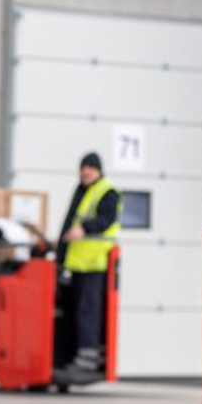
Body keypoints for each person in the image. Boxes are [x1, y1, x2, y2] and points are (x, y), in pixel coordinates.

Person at [56, 152, 122, 373]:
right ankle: (82, 355)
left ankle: (88, 359)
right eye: (83, 168)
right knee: (78, 311)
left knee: (88, 312)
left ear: (98, 170)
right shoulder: (83, 190)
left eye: (89, 168)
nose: (85, 172)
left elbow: (105, 220)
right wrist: (60, 255)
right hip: (78, 263)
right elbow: (69, 223)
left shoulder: (107, 191)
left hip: (94, 263)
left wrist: (83, 229)